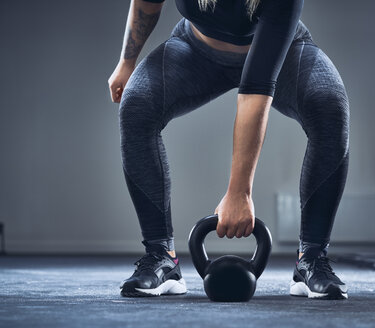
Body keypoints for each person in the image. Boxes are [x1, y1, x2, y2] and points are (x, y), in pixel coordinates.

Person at [108, 0, 349, 300]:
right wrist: (126, 62)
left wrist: (239, 193)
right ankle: (161, 257)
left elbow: (254, 93)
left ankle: (311, 259)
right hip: (196, 50)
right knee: (137, 103)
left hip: (282, 53)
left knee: (330, 105)